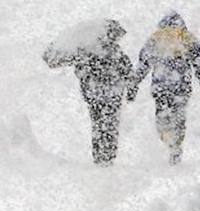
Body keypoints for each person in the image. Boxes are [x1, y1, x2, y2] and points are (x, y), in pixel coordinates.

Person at [44, 19, 135, 166]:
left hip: (94, 95)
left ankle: (100, 154)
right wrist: (131, 92)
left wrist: (82, 70)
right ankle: (108, 154)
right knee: (110, 124)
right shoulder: (115, 52)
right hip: (113, 95)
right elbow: (128, 73)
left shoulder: (85, 51)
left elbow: (77, 68)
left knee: (98, 124)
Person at [128, 11, 200, 165]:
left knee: (162, 117)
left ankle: (167, 139)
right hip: (181, 87)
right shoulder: (187, 38)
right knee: (179, 118)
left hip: (161, 87)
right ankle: (176, 145)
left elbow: (143, 64)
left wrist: (134, 84)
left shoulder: (156, 38)